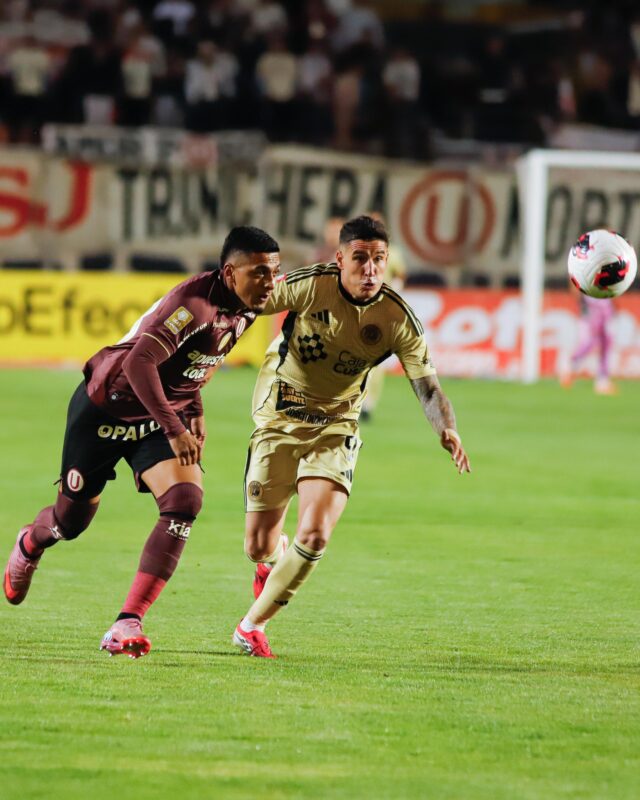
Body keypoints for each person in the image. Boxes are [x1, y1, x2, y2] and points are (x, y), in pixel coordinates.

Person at [3, 226, 281, 659]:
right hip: (105, 409)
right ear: (230, 273)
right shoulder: (193, 305)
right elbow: (139, 363)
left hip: (158, 415)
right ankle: (31, 542)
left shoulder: (246, 307)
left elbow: (194, 363)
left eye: (275, 271)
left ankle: (126, 621)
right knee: (69, 523)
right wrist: (175, 427)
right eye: (261, 272)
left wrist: (195, 409)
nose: (270, 282)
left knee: (185, 500)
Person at [233, 215, 471, 659]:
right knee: (257, 546)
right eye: (359, 258)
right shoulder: (310, 284)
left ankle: (252, 625)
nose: (370, 269)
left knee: (318, 533)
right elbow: (253, 298)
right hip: (279, 415)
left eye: (378, 259)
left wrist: (448, 427)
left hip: (337, 424)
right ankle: (273, 555)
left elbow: (428, 386)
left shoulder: (398, 317)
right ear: (339, 259)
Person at [560, 294, 617, 395]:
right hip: (594, 300)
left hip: (602, 299)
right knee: (593, 341)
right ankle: (571, 366)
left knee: (605, 341)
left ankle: (602, 381)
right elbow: (574, 283)